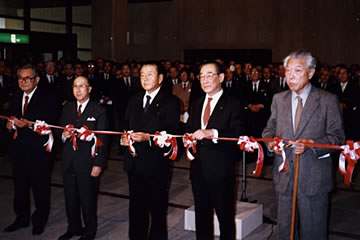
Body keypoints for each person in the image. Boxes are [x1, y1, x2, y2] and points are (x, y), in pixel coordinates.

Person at [262, 50, 345, 240]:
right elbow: (269, 130)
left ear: (311, 73)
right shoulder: (279, 100)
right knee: (285, 231)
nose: (290, 76)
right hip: (284, 177)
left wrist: (313, 144)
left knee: (313, 231)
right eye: (287, 70)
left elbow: (338, 137)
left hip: (313, 178)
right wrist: (271, 144)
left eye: (297, 70)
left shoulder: (327, 101)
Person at [185, 62, 246, 240]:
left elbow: (239, 134)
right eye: (201, 76)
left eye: (210, 75)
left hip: (221, 170)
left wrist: (213, 133)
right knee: (202, 218)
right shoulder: (196, 103)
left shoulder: (233, 103)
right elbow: (189, 128)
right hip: (198, 170)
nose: (205, 80)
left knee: (225, 218)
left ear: (221, 78)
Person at [121, 63, 180, 240]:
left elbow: (172, 132)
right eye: (142, 75)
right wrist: (124, 138)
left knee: (157, 209)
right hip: (134, 162)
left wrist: (149, 138)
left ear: (160, 78)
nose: (145, 78)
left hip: (156, 163)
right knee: (136, 208)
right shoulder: (134, 99)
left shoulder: (171, 102)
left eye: (150, 74)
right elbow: (126, 124)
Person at [4, 64, 56, 235]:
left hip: (38, 152)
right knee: (20, 188)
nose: (24, 82)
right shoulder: (16, 97)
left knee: (40, 188)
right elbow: (11, 117)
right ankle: (21, 218)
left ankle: (39, 221)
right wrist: (10, 126)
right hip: (19, 152)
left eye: (28, 78)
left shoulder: (47, 97)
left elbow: (51, 123)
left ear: (37, 80)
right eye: (20, 78)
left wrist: (28, 125)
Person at [57, 76, 108, 240]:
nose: (78, 90)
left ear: (89, 89)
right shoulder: (68, 108)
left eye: (82, 86)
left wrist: (98, 164)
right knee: (70, 198)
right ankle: (73, 228)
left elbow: (103, 141)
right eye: (75, 86)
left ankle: (89, 231)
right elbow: (59, 131)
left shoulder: (99, 110)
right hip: (69, 161)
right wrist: (63, 135)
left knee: (88, 199)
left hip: (87, 163)